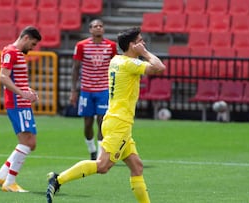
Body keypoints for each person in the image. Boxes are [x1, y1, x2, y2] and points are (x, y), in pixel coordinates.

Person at [46, 27, 166, 203]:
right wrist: (145, 52)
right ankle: (58, 179)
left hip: (114, 119)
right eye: (140, 41)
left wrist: (139, 51)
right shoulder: (129, 64)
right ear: (132, 45)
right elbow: (159, 67)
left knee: (137, 166)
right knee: (102, 166)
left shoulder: (116, 60)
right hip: (120, 123)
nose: (143, 43)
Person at [0, 26, 41, 192]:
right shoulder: (11, 52)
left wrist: (29, 90)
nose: (32, 48)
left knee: (29, 143)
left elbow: (15, 79)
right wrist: (22, 94)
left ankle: (1, 175)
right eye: (32, 44)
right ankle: (10, 182)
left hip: (21, 102)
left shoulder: (17, 53)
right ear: (25, 38)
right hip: (17, 103)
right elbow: (3, 77)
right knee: (28, 142)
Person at [70, 19, 117, 160]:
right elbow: (75, 68)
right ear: (90, 30)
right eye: (95, 26)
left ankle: (99, 156)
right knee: (88, 123)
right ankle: (91, 149)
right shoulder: (81, 46)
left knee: (102, 122)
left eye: (100, 26)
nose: (98, 28)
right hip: (87, 89)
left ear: (104, 29)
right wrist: (73, 91)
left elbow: (115, 66)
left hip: (103, 89)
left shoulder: (111, 46)